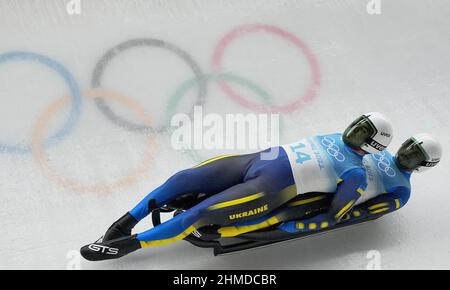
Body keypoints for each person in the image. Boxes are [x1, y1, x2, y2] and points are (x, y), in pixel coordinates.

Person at [81, 112, 393, 261]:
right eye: (356, 124)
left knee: (201, 213)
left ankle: (129, 245)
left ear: (372, 145)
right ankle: (124, 222)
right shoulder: (332, 134)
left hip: (269, 189)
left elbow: (338, 208)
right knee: (181, 179)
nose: (351, 132)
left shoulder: (356, 173)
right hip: (252, 161)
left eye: (360, 132)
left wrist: (306, 217)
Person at [277, 133, 443, 233]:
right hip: (314, 174)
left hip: (324, 200)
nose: (406, 154)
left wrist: (328, 218)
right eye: (409, 147)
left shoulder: (402, 190)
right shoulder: (379, 149)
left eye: (414, 155)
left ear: (422, 165)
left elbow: (365, 211)